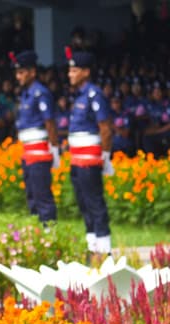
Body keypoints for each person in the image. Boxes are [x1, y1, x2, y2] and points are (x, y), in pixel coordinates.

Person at [66, 47, 113, 255]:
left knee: (95, 203)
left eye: (75, 71)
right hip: (77, 159)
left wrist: (106, 155)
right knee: (84, 204)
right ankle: (92, 247)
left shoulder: (94, 94)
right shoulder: (79, 96)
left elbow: (105, 127)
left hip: (90, 158)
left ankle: (105, 249)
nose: (70, 74)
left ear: (86, 72)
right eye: (70, 71)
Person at [10, 50, 59, 224]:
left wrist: (54, 148)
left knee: (42, 195)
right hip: (28, 151)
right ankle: (37, 233)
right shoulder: (25, 94)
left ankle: (49, 233)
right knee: (32, 195)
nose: (18, 76)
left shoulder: (40, 93)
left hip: (40, 150)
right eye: (17, 72)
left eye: (21, 72)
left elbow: (50, 123)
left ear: (32, 72)